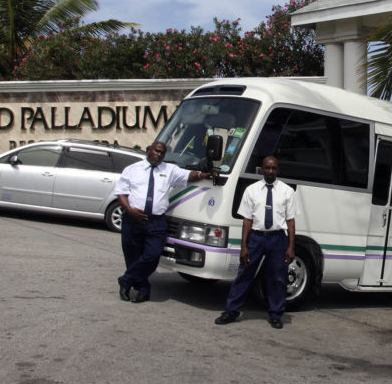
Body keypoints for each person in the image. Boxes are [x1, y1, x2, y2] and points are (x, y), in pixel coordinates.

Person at [116, 141, 212, 303]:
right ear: (148, 150)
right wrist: (131, 211)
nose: (159, 155)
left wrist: (203, 175)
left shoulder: (169, 170)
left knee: (152, 256)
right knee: (132, 256)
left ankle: (126, 280)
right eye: (156, 151)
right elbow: (121, 193)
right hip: (133, 219)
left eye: (162, 153)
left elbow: (189, 176)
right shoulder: (132, 170)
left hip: (156, 221)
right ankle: (143, 290)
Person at [214, 156, 297, 329]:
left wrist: (291, 246)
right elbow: (247, 220)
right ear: (262, 169)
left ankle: (275, 314)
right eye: (267, 168)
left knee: (277, 278)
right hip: (256, 237)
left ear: (278, 170)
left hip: (277, 238)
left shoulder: (287, 191)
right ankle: (231, 311)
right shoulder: (251, 190)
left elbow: (290, 221)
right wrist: (244, 246)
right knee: (244, 274)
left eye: (274, 168)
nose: (270, 171)